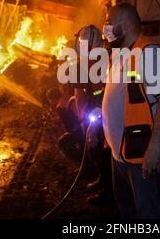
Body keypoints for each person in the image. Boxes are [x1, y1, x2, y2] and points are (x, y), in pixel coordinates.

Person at [102, 3, 160, 219]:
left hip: (143, 156)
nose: (105, 27)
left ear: (125, 25)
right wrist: (105, 131)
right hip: (120, 156)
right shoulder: (120, 55)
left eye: (109, 22)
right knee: (128, 211)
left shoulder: (150, 53)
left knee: (149, 214)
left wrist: (154, 149)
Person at [56, 25, 113, 205]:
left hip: (98, 116)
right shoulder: (108, 60)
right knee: (103, 152)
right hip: (107, 114)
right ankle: (102, 179)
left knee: (100, 151)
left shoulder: (82, 66)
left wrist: (84, 123)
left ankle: (108, 190)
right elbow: (80, 96)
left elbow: (80, 98)